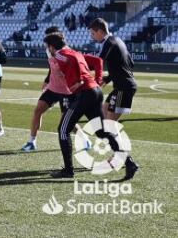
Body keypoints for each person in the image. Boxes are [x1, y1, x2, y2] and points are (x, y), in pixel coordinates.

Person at [43, 33, 138, 180]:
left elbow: (70, 66)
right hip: (95, 91)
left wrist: (77, 81)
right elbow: (96, 61)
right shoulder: (75, 52)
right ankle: (129, 162)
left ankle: (68, 170)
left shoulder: (61, 55)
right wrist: (97, 78)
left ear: (52, 46)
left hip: (85, 93)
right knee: (102, 132)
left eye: (48, 47)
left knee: (63, 130)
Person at [20, 27, 102, 152]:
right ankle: (32, 141)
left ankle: (84, 139)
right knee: (38, 110)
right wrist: (47, 80)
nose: (46, 46)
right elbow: (51, 66)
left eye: (48, 42)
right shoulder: (51, 51)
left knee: (67, 120)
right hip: (53, 88)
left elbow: (80, 66)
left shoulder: (67, 53)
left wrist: (85, 80)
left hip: (67, 91)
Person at [89, 18, 137, 122]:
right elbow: (130, 63)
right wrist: (108, 78)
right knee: (104, 112)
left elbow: (98, 62)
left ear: (100, 32)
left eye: (93, 34)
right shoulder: (118, 40)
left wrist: (81, 66)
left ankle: (113, 138)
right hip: (123, 86)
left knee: (110, 123)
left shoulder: (108, 43)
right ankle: (110, 137)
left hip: (124, 88)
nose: (92, 37)